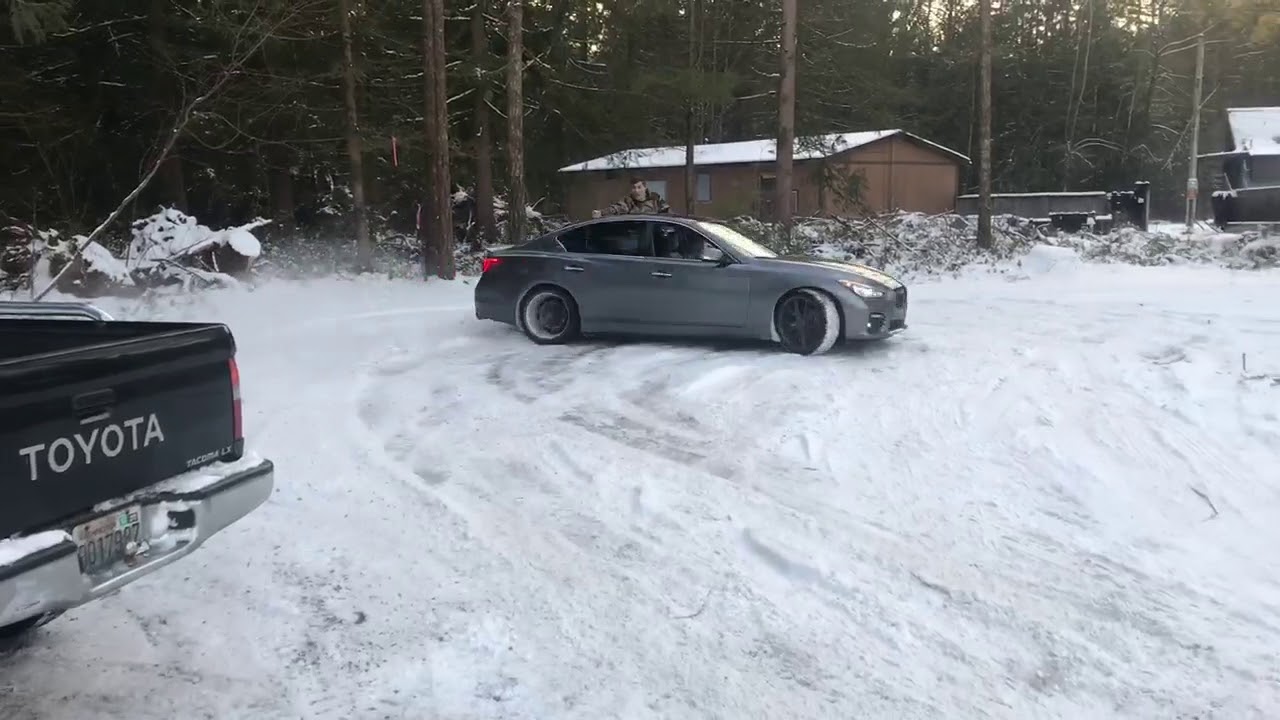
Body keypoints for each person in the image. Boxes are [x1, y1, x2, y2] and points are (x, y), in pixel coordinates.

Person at [592, 178, 670, 218]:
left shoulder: (655, 200)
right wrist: (601, 213)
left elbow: (669, 213)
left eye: (639, 187)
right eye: (634, 188)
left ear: (645, 187)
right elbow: (616, 209)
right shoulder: (627, 201)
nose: (636, 191)